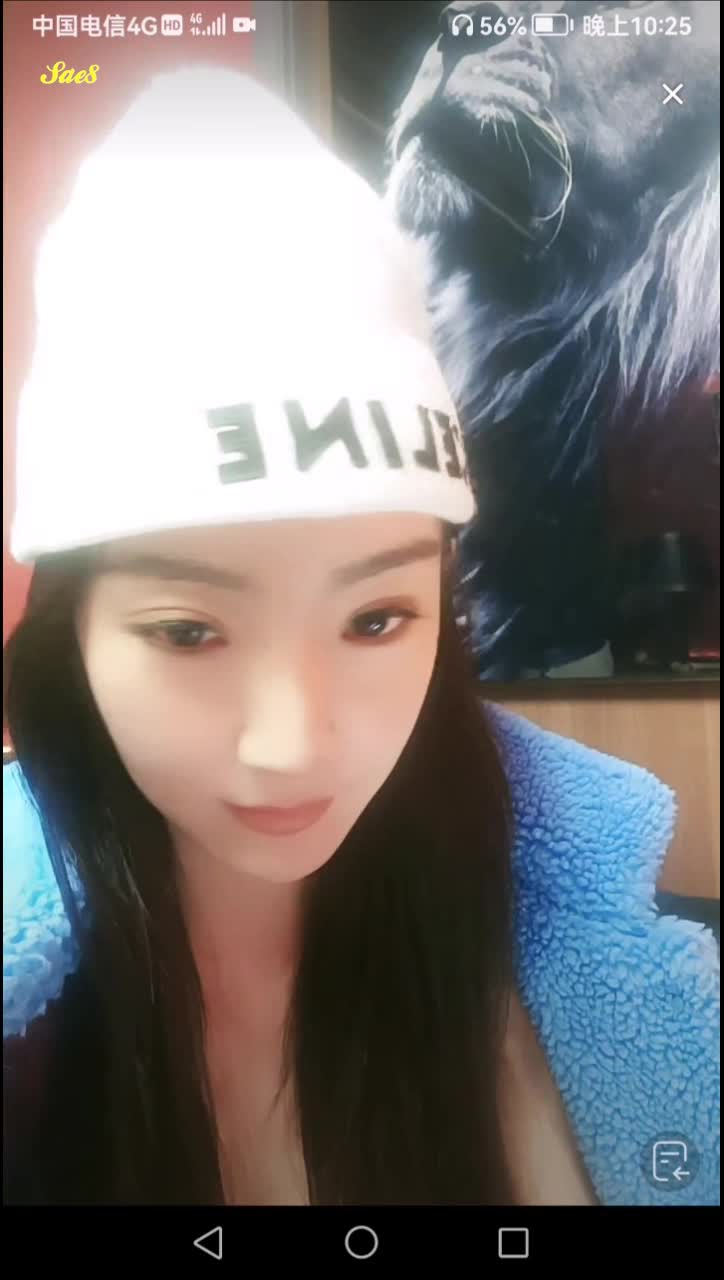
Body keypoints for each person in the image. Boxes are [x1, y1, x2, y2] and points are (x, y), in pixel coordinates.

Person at [2, 67, 719, 1208]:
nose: (293, 744)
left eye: (376, 618)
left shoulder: (582, 975)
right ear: (73, 632)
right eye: (188, 630)